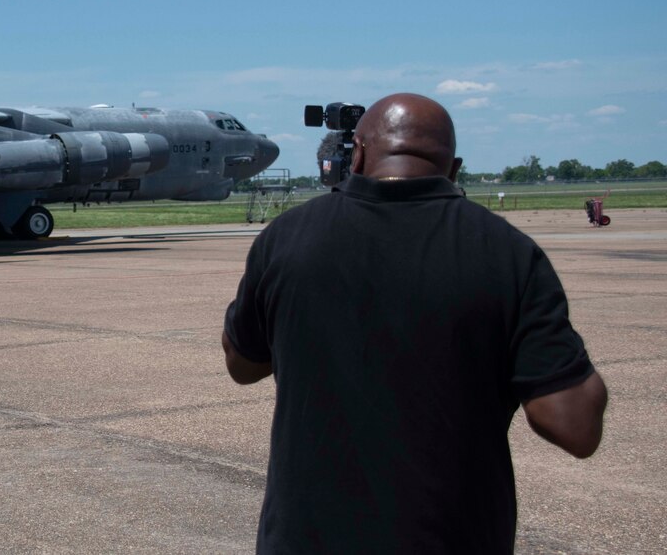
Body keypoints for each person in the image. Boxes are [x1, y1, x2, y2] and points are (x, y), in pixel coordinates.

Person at [222, 93, 606, 554]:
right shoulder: (509, 253)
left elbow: (242, 365)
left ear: (358, 154)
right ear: (455, 168)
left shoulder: (285, 239)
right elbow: (575, 428)